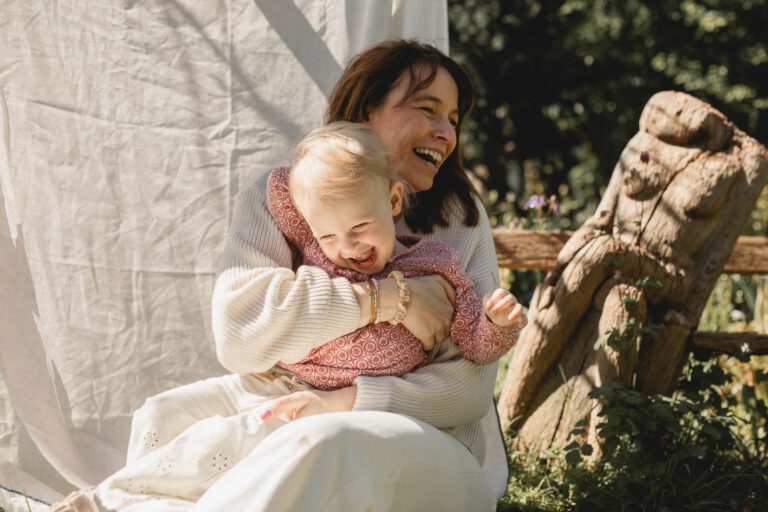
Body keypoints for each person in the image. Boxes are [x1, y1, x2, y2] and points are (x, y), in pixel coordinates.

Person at [50, 39, 524, 512]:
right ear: (365, 110)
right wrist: (385, 299)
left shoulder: (460, 219)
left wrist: (343, 401)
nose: (447, 132)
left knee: (319, 439)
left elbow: (467, 390)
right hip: (290, 389)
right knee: (166, 414)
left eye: (454, 119)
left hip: (425, 435)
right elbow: (239, 337)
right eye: (428, 109)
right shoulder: (284, 197)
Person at [268, 121, 525, 392]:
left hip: (379, 403)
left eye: (359, 226)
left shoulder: (433, 263)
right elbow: (278, 185)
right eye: (328, 236)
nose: (347, 247)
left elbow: (475, 345)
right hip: (296, 384)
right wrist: (319, 163)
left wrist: (498, 324)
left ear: (393, 200)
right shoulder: (315, 247)